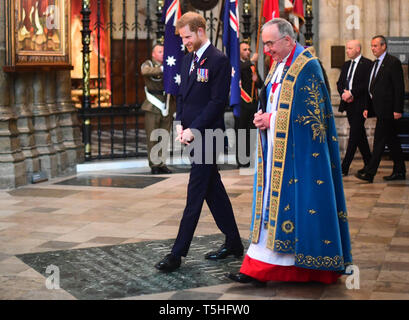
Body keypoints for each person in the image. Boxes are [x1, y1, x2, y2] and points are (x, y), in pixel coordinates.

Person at [227, 18, 352, 285]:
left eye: (271, 43)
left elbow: (312, 117)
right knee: (270, 209)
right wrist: (262, 116)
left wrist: (272, 120)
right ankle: (258, 266)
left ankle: (292, 268)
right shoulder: (277, 66)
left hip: (300, 157)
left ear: (288, 39)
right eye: (265, 44)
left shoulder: (309, 67)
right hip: (275, 152)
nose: (267, 50)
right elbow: (271, 99)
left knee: (295, 206)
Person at [154, 12, 243, 272]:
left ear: (201, 31)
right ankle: (234, 242)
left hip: (208, 136)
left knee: (194, 195)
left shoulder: (219, 60)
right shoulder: (186, 60)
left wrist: (194, 128)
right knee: (213, 191)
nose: (185, 42)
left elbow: (217, 102)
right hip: (192, 134)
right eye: (182, 38)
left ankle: (176, 254)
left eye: (188, 37)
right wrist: (181, 123)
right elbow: (183, 96)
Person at [355, 35, 406, 183]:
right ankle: (400, 170)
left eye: (375, 46)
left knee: (379, 141)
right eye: (371, 46)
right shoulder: (374, 63)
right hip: (378, 109)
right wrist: (367, 108)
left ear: (384, 46)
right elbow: (372, 88)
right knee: (393, 141)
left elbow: (399, 88)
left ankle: (370, 173)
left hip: (389, 110)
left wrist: (398, 109)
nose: (373, 48)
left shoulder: (393, 62)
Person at [336, 40, 372, 176]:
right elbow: (339, 83)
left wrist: (352, 93)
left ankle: (344, 167)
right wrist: (344, 94)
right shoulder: (346, 65)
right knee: (359, 134)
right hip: (348, 104)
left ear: (358, 49)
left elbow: (367, 84)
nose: (347, 51)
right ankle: (369, 163)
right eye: (346, 48)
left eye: (350, 48)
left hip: (360, 104)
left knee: (354, 135)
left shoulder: (367, 64)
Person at [141, 44, 176, 174]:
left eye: (164, 51)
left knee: (164, 136)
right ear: (153, 54)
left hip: (167, 104)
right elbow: (145, 71)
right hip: (153, 105)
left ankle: (161, 163)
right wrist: (162, 68)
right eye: (160, 51)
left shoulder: (170, 64)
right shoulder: (148, 64)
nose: (163, 54)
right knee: (153, 136)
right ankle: (154, 164)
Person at [235, 42, 263, 168]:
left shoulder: (252, 66)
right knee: (241, 132)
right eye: (244, 49)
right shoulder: (237, 64)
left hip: (252, 104)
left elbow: (260, 84)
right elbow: (239, 69)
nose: (247, 51)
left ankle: (250, 157)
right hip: (241, 103)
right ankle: (241, 160)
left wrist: (256, 80)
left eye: (248, 49)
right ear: (239, 51)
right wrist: (252, 61)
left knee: (251, 133)